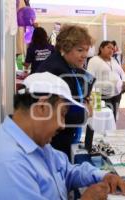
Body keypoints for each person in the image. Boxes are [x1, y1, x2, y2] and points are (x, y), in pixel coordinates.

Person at [0, 72, 125, 199]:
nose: (63, 125)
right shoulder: (7, 164)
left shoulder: (36, 143)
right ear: (42, 107)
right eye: (62, 114)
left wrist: (102, 176)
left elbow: (67, 171)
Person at [36, 25, 94, 160]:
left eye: (86, 50)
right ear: (64, 48)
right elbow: (59, 113)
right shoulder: (58, 70)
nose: (85, 55)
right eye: (80, 50)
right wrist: (85, 112)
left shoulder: (63, 65)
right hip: (56, 143)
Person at [87, 41, 125, 120]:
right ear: (101, 48)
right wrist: (95, 99)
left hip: (116, 94)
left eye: (112, 48)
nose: (111, 50)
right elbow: (89, 79)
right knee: (103, 118)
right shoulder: (94, 60)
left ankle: (112, 132)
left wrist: (124, 82)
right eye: (108, 47)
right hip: (103, 96)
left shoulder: (114, 60)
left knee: (113, 117)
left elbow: (121, 73)